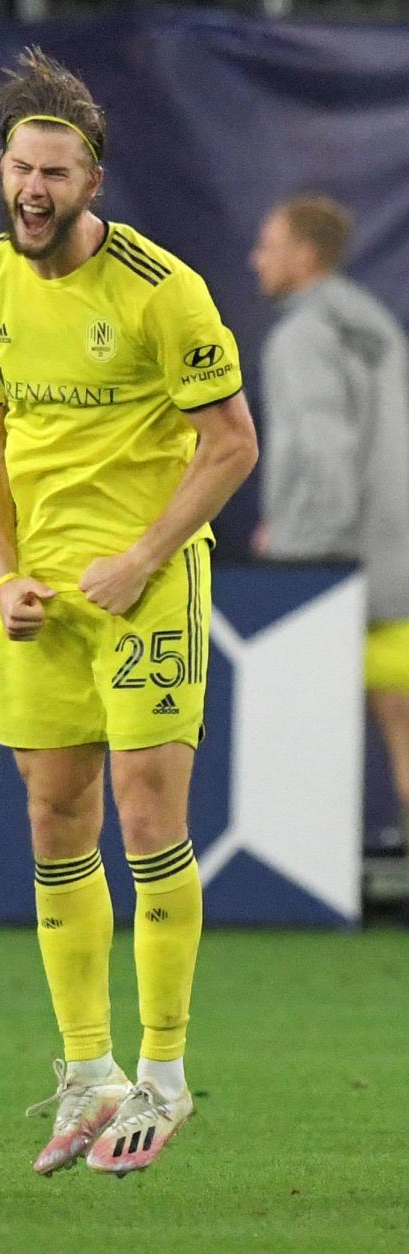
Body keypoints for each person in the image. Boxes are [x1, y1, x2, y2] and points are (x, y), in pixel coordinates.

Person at [0, 47, 257, 1177]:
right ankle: (88, 1072)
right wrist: (0, 574)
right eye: (21, 168)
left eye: (57, 172)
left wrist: (140, 557)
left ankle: (165, 1074)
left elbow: (232, 444)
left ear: (93, 182)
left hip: (145, 585)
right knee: (52, 818)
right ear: (3, 172)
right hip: (39, 596)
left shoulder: (159, 289)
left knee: (144, 812)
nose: (35, 189)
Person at [251, 196, 409, 862]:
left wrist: (302, 556)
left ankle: (301, 875)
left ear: (303, 254)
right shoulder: (374, 322)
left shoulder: (300, 337)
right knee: (402, 722)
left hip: (333, 566)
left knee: (302, 733)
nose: (257, 259)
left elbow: (326, 452)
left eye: (269, 244)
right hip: (397, 562)